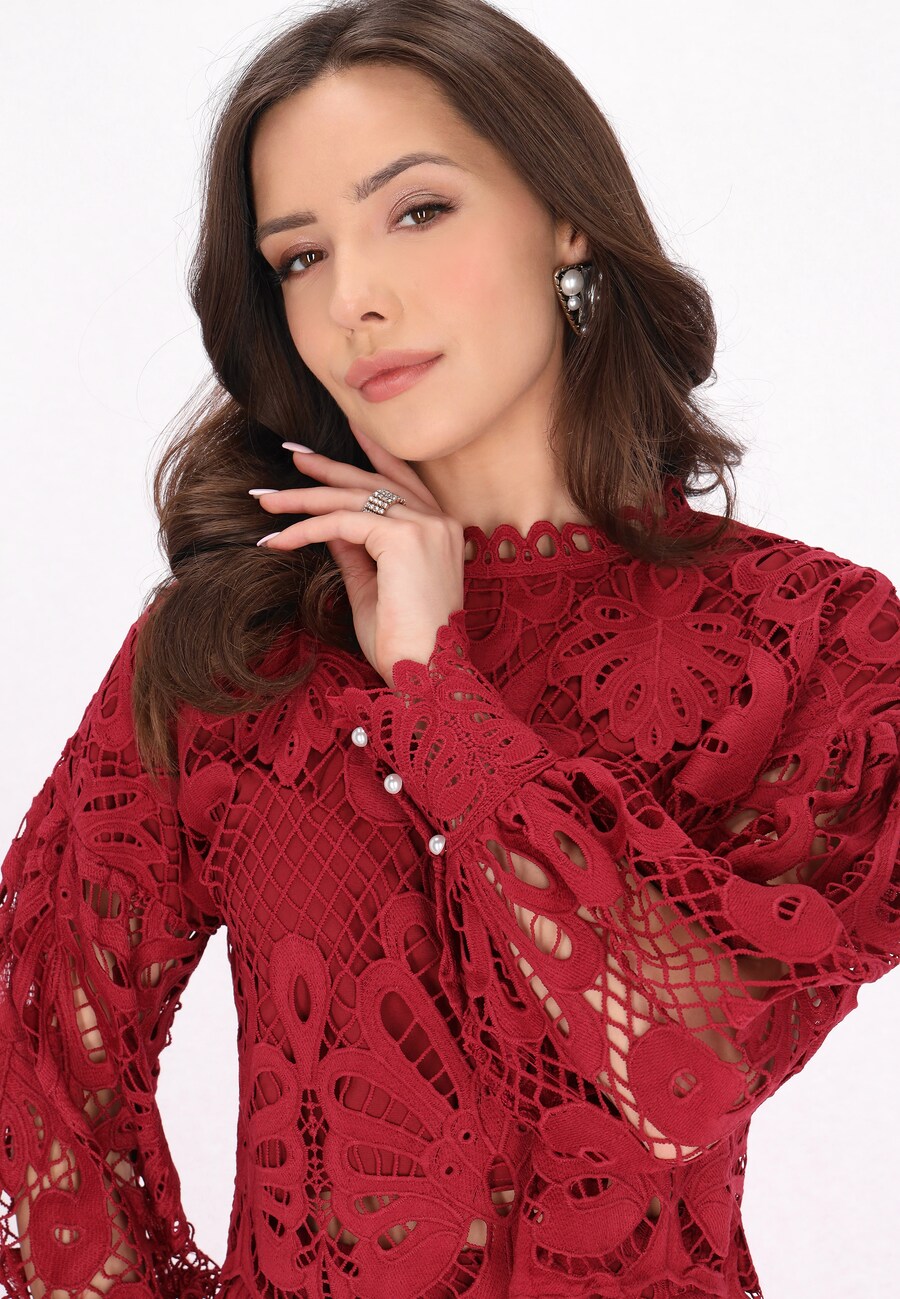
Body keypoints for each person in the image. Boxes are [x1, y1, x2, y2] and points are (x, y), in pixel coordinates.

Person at [1, 0, 898, 1296]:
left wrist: (437, 687)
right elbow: (35, 1060)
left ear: (566, 213)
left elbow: (689, 1070)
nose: (354, 297)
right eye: (299, 256)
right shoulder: (230, 654)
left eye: (416, 211)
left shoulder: (819, 641)